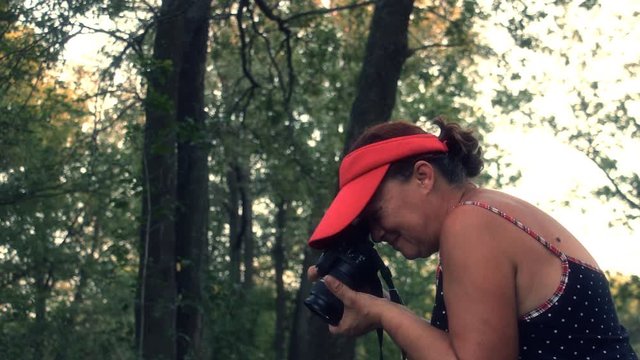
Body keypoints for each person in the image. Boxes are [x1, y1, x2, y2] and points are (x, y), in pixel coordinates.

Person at [306, 118, 638, 359]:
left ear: (423, 176)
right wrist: (383, 308)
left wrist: (382, 313)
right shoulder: (489, 212)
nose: (376, 234)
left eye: (376, 213)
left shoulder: (471, 223)